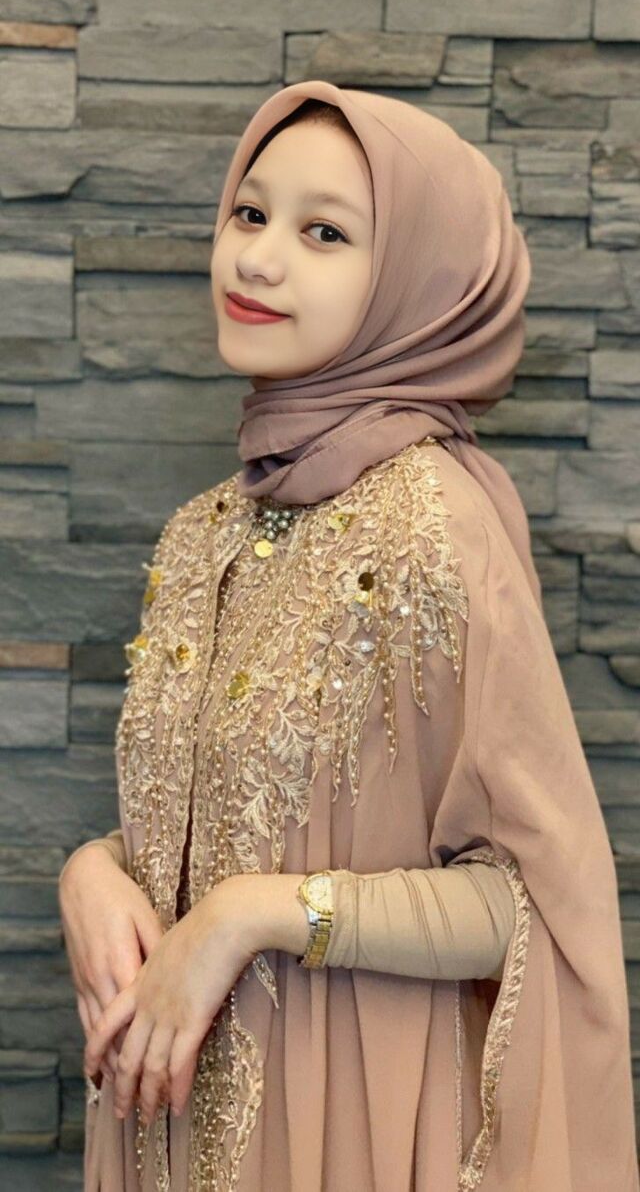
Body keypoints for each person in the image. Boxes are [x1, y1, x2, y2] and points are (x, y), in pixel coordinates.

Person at [58, 81, 639, 1191]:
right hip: (162, 1127)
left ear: (416, 278)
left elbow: (531, 901)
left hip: (352, 1127)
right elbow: (213, 821)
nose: (258, 258)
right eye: (249, 213)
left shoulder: (437, 525)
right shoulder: (203, 532)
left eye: (323, 232)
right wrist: (91, 871)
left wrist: (256, 917)